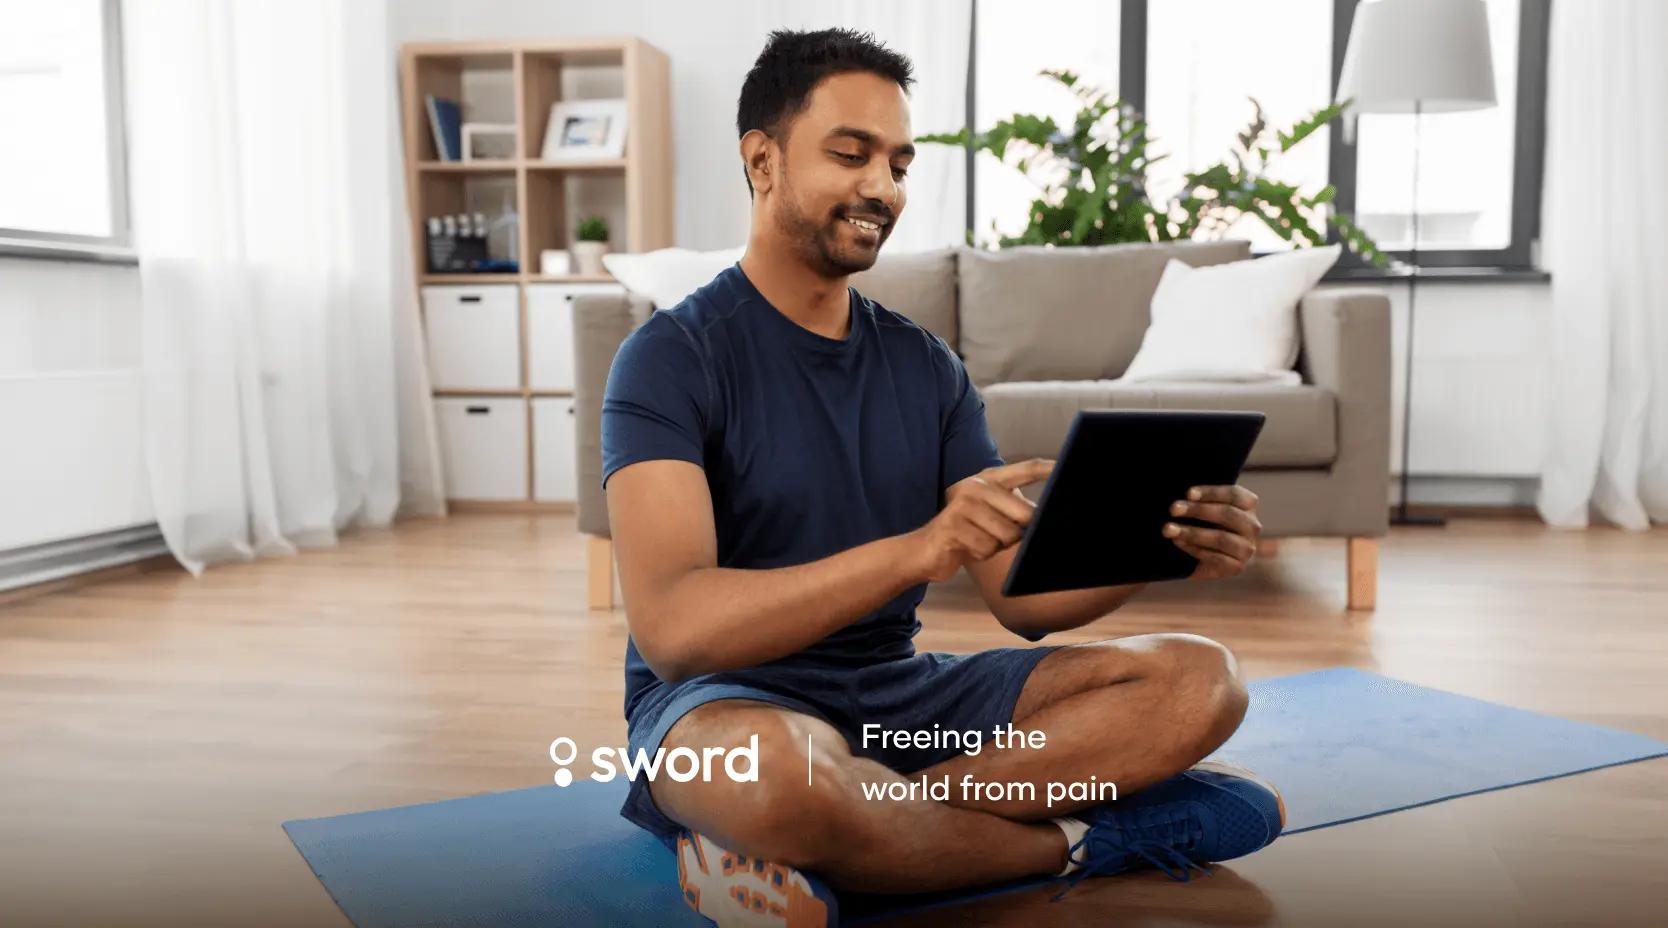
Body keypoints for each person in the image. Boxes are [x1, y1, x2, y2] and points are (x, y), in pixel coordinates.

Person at [600, 27, 1282, 928]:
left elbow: (1020, 600)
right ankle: (1082, 838)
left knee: (1202, 681)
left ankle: (839, 832)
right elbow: (676, 631)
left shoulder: (925, 368)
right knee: (776, 780)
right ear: (762, 160)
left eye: (899, 164)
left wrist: (1163, 545)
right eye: (851, 155)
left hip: (900, 705)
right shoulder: (669, 357)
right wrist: (918, 551)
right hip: (720, 705)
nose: (883, 189)